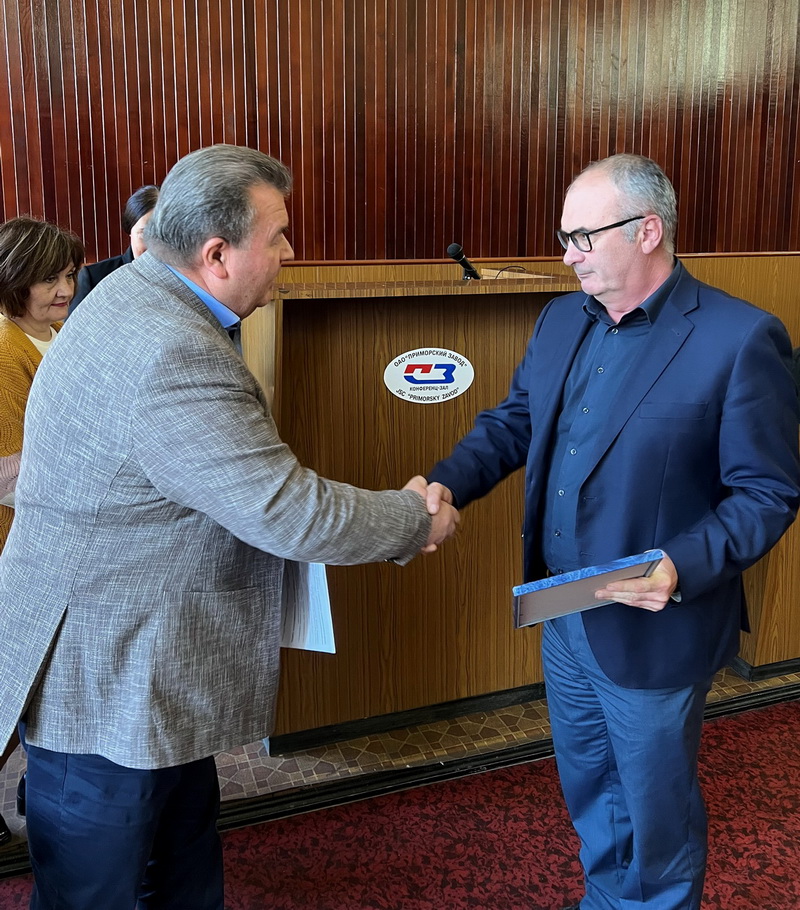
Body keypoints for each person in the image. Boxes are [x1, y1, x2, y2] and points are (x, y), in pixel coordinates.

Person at [0, 144, 458, 909]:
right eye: (277, 236)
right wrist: (416, 519)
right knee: (102, 888)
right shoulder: (172, 348)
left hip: (138, 671)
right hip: (108, 681)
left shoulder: (131, 293)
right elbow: (288, 509)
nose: (290, 252)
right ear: (216, 255)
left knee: (177, 864)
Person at [423, 154, 800, 910]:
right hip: (564, 610)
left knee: (656, 816)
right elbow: (516, 421)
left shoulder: (739, 337)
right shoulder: (563, 318)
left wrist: (681, 565)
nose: (568, 256)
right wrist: (447, 481)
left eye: (583, 237)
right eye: (565, 237)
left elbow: (768, 492)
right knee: (592, 787)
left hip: (655, 625)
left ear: (647, 231)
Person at [0, 217, 84, 847]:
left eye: (68, 275)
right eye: (47, 277)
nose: (64, 289)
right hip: (14, 536)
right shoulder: (6, 350)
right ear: (13, 279)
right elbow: (7, 472)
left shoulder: (53, 335)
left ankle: (39, 784)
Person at [68, 184, 159, 313]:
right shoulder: (95, 277)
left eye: (166, 235)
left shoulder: (186, 277)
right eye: (145, 233)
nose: (155, 245)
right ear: (130, 231)